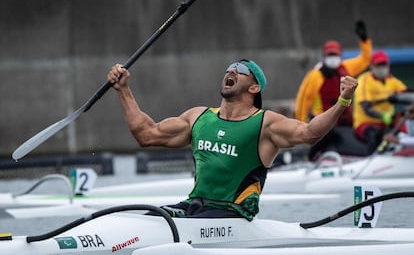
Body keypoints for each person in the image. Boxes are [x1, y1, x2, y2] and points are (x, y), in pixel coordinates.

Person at [107, 59, 358, 221]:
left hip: (233, 214)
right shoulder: (198, 117)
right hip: (194, 207)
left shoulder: (266, 123)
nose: (231, 70)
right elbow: (146, 134)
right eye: (229, 68)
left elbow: (310, 133)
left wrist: (343, 101)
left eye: (241, 70)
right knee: (143, 217)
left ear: (254, 88)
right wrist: (124, 90)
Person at [295, 20, 372, 160]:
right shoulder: (316, 75)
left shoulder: (345, 68)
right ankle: (311, 156)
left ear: (340, 55)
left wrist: (364, 40)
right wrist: (301, 126)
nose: (333, 58)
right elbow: (304, 100)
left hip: (343, 119)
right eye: (330, 55)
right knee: (328, 135)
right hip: (323, 120)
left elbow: (366, 60)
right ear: (324, 57)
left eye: (335, 55)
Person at [353, 50, 407, 154]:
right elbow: (366, 107)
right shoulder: (364, 80)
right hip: (365, 123)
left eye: (384, 64)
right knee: (373, 134)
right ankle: (371, 161)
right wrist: (383, 116)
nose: (382, 68)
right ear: (372, 66)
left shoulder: (392, 81)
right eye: (378, 65)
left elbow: (406, 94)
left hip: (387, 122)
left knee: (403, 125)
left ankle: (405, 152)